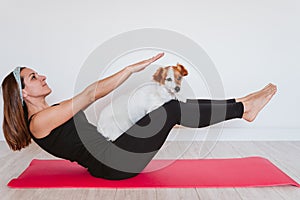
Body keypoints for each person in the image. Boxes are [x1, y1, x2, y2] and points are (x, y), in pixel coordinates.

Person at [1, 53, 277, 180]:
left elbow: (92, 101)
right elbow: (90, 94)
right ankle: (243, 109)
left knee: (165, 107)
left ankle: (240, 104)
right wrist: (130, 69)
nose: (43, 77)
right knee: (170, 111)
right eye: (33, 78)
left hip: (113, 151)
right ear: (23, 94)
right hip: (114, 164)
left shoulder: (52, 112)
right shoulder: (39, 122)